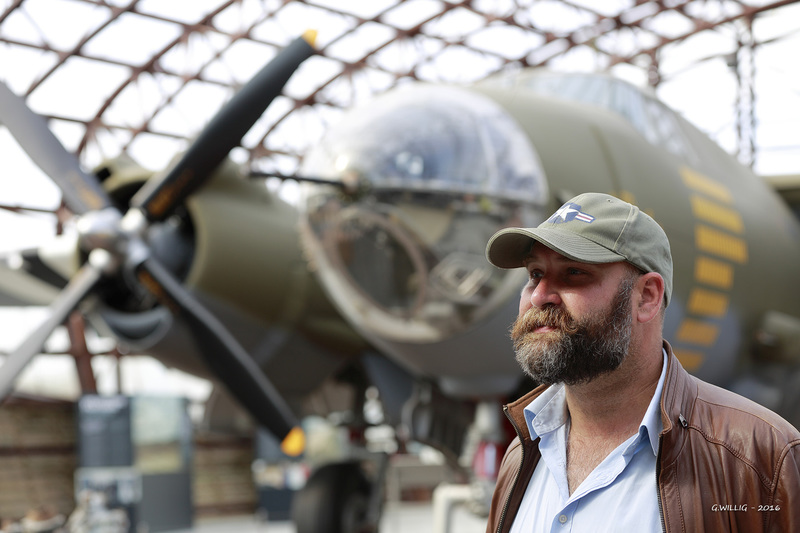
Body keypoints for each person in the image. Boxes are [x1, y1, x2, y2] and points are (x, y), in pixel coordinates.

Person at [483, 192, 800, 532]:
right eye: (535, 274)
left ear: (647, 296)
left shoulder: (759, 458)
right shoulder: (522, 454)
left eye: (573, 272)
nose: (538, 296)